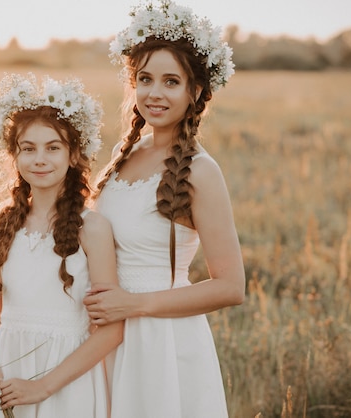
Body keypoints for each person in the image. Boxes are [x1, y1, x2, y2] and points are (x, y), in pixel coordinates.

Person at [82, 1, 245, 417]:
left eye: (171, 81)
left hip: (162, 340)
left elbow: (231, 286)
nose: (154, 93)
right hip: (105, 333)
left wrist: (133, 305)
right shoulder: (124, 153)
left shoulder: (200, 171)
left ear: (195, 92)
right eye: (145, 79)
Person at [0, 73, 123, 418]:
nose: (39, 159)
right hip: (10, 380)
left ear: (73, 155)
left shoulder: (92, 229)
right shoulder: (3, 223)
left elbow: (112, 330)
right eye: (28, 149)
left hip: (67, 384)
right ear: (14, 155)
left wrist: (43, 386)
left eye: (52, 147)